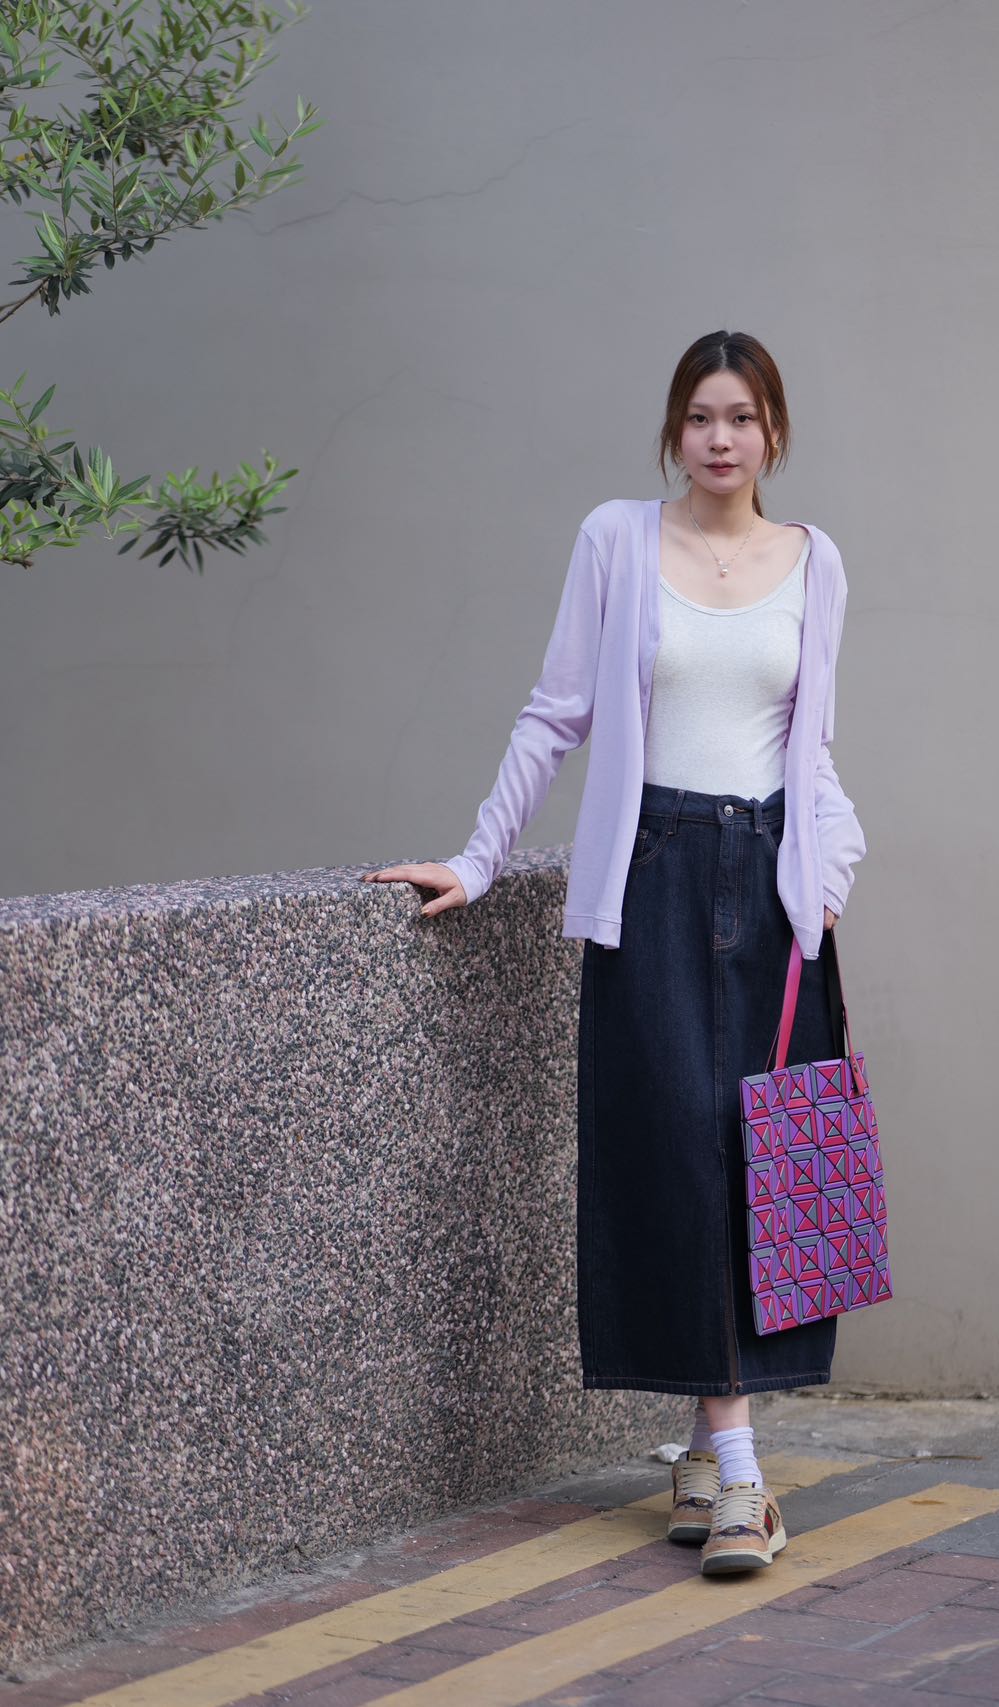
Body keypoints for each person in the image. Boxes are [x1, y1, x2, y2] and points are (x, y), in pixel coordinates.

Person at [363, 329, 866, 1575]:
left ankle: (707, 1453)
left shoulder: (815, 563)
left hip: (772, 884)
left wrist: (827, 877)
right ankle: (739, 1474)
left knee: (752, 1158)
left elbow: (810, 751)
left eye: (740, 417)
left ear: (773, 431)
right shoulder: (616, 541)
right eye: (699, 416)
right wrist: (478, 859)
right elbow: (557, 713)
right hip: (650, 877)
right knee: (676, 1149)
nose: (718, 438)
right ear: (672, 429)